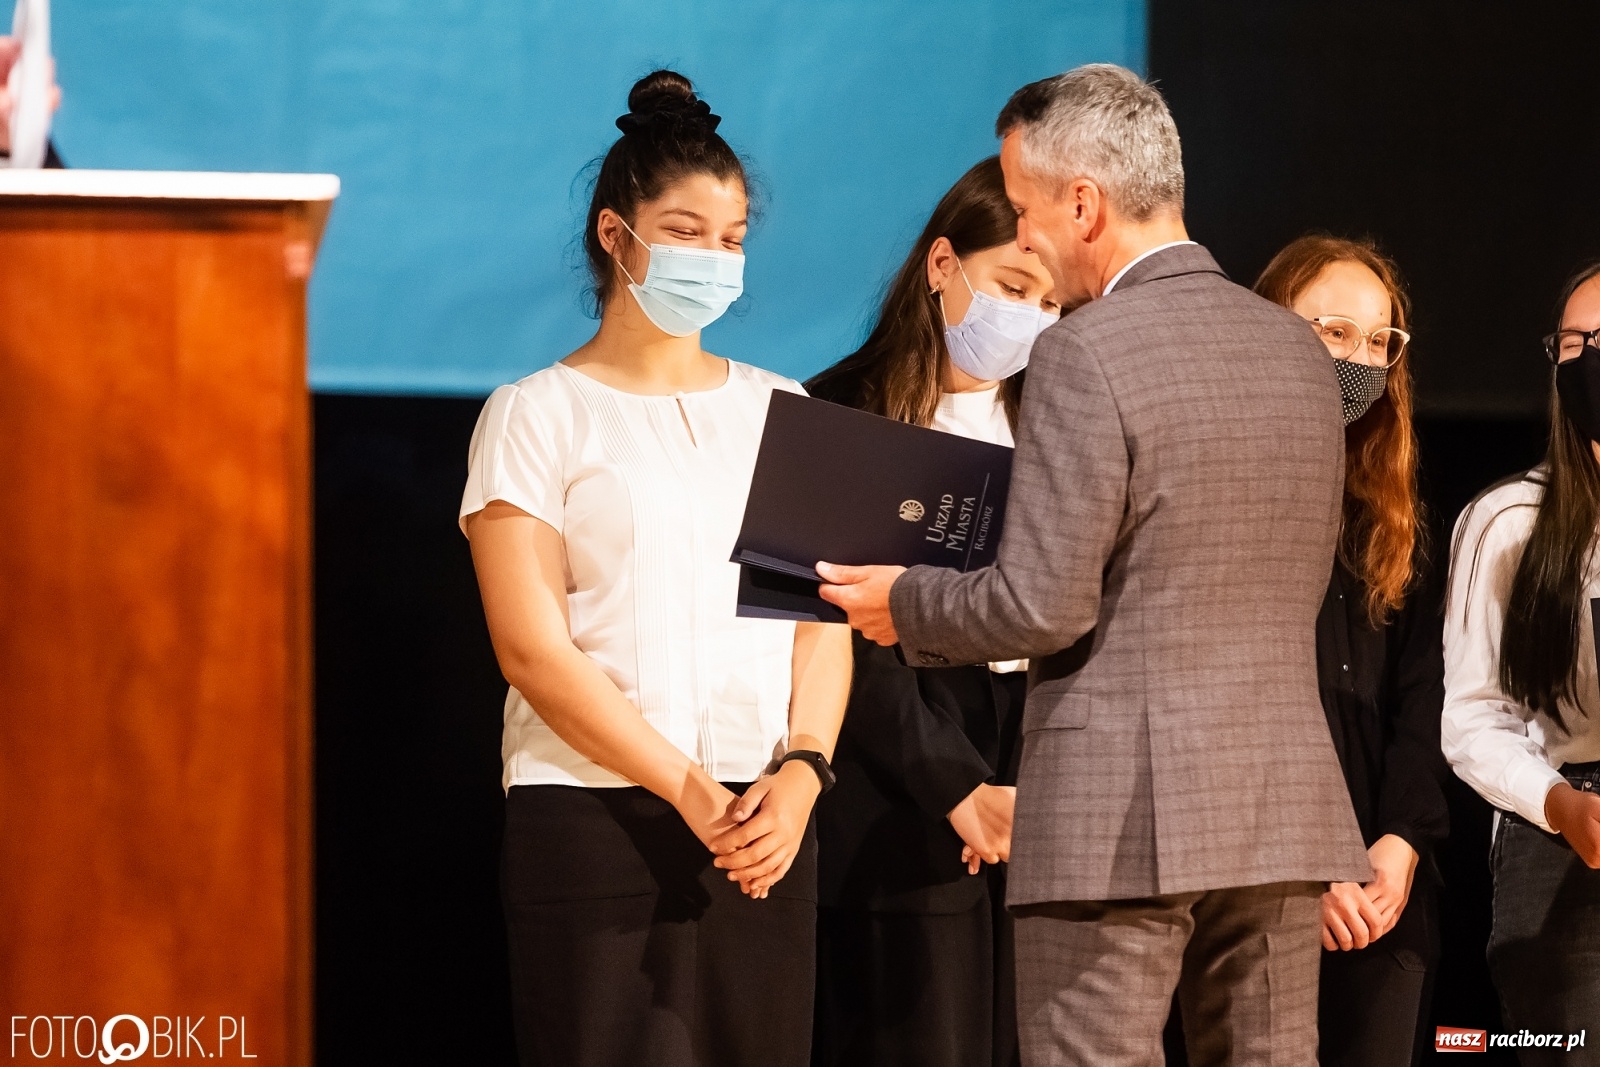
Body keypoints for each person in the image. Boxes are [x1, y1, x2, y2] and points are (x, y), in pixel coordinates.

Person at [817, 63, 1371, 1066]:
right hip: (1283, 809)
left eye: (1027, 210)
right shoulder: (1299, 351)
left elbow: (1041, 603)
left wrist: (906, 601)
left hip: (1118, 814)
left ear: (1083, 204)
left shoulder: (1084, 350)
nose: (1026, 236)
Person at [460, 70, 851, 1067]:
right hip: (593, 816)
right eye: (685, 232)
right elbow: (531, 647)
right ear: (615, 234)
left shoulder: (783, 408)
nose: (713, 259)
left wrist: (803, 771)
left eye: (731, 239)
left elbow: (820, 623)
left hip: (764, 823)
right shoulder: (534, 412)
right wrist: (684, 787)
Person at [805, 155, 1058, 1067]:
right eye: (1014, 288)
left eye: (1053, 302)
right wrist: (957, 787)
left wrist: (1023, 787)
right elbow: (832, 630)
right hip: (895, 793)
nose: (1032, 317)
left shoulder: (1064, 424)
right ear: (944, 264)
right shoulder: (839, 411)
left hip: (1035, 785)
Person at [1256, 236, 1449, 1067]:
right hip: (1258, 887)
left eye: (1378, 342)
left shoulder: (1392, 513)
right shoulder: (1228, 493)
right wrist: (1305, 865)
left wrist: (1399, 841)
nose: (1359, 360)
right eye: (1335, 333)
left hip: (1383, 893)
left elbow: (1429, 693)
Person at [1443, 261, 1600, 1066]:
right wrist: (1559, 803)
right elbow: (1473, 716)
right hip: (1563, 824)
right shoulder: (1509, 520)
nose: (1594, 361)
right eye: (1577, 345)